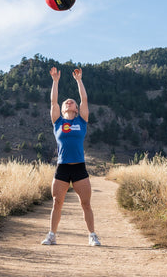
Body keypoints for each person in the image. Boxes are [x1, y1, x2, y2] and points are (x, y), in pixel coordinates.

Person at [41, 67, 101, 246]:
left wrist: (79, 81)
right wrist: (55, 81)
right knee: (56, 203)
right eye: (66, 102)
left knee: (86, 204)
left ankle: (92, 236)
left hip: (79, 168)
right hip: (62, 167)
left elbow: (84, 99)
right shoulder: (57, 121)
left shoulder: (81, 121)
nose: (68, 102)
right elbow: (53, 102)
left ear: (76, 109)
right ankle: (52, 235)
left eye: (71, 102)